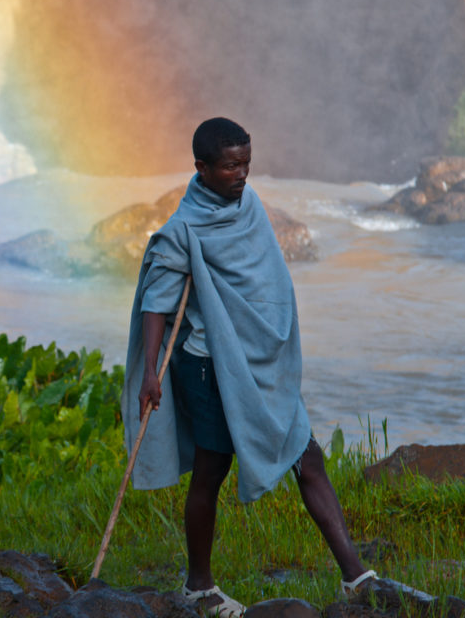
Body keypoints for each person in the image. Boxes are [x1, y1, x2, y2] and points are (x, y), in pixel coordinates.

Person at [121, 117, 376, 617]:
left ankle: (357, 576)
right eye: (231, 166)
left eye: (246, 164)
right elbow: (156, 303)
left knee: (306, 453)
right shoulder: (184, 230)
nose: (241, 174)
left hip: (260, 362)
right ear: (202, 168)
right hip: (209, 369)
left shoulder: (249, 204)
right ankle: (199, 586)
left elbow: (264, 279)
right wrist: (150, 371)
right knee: (211, 472)